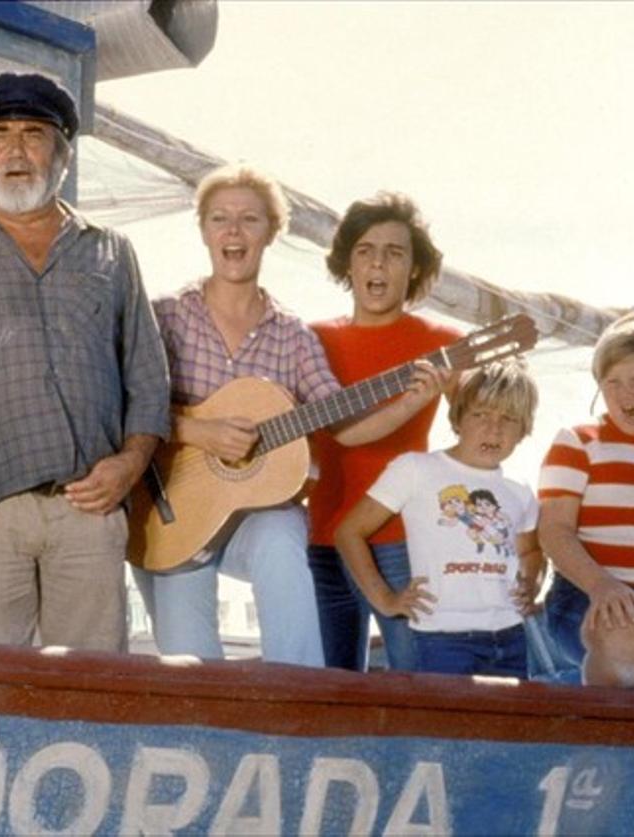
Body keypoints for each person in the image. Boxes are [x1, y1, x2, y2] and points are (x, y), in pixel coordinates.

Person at [132, 165, 448, 666]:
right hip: (170, 511)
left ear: (271, 233)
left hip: (250, 520)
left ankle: (298, 689)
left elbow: (344, 425)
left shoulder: (292, 335)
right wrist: (198, 431)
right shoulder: (162, 314)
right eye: (220, 218)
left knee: (284, 534)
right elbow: (120, 403)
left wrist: (411, 400)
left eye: (249, 219)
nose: (234, 231)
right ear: (204, 231)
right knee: (192, 674)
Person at [0, 72, 170, 652]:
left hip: (89, 507)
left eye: (34, 133)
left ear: (63, 156)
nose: (17, 149)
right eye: (0, 134)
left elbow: (148, 379)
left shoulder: (111, 250)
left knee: (92, 693)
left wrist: (128, 466)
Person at [307, 193, 462, 672]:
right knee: (330, 689)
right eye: (365, 250)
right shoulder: (310, 338)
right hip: (320, 538)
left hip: (401, 537)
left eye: (395, 253)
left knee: (417, 683)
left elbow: (481, 427)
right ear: (347, 264)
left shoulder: (443, 342)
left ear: (414, 268)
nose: (378, 263)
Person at [336, 360, 543, 677]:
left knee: (503, 727)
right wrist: (385, 599)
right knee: (446, 726)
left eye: (509, 419)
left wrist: (532, 584)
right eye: (480, 415)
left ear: (524, 430)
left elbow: (530, 551)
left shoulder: (520, 491)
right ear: (457, 418)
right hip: (440, 640)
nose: (493, 429)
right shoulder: (416, 469)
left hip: (510, 636)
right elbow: (349, 532)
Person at [538, 313, 634, 689]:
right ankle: (601, 746)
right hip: (589, 592)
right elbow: (553, 530)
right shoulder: (579, 442)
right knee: (629, 642)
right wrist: (601, 586)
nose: (623, 395)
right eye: (612, 382)